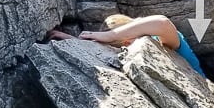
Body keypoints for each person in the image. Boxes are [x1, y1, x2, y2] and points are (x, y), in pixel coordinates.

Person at [48, 13, 205, 77]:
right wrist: (72, 41)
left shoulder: (165, 41)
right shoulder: (128, 53)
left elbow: (162, 23)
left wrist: (110, 36)